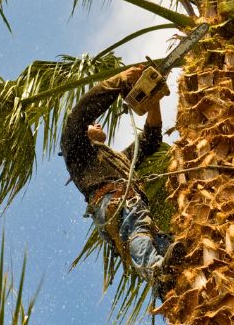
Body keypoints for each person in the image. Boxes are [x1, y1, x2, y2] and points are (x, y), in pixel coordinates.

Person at [60, 64, 185, 296]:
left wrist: (153, 100)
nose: (98, 124)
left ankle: (175, 284)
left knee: (163, 243)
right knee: (137, 230)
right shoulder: (75, 150)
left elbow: (150, 140)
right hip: (113, 201)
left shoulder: (117, 159)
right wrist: (120, 81)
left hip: (128, 202)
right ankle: (158, 273)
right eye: (92, 125)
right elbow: (80, 115)